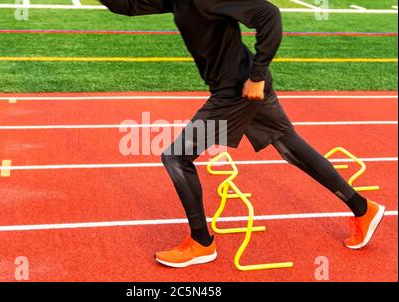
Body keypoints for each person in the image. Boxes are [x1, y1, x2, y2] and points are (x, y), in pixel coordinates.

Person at [101, 0, 386, 268]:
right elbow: (127, 6)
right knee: (291, 148)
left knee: (176, 157)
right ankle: (363, 209)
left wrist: (257, 76)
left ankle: (201, 242)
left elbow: (269, 15)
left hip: (237, 91)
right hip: (237, 88)